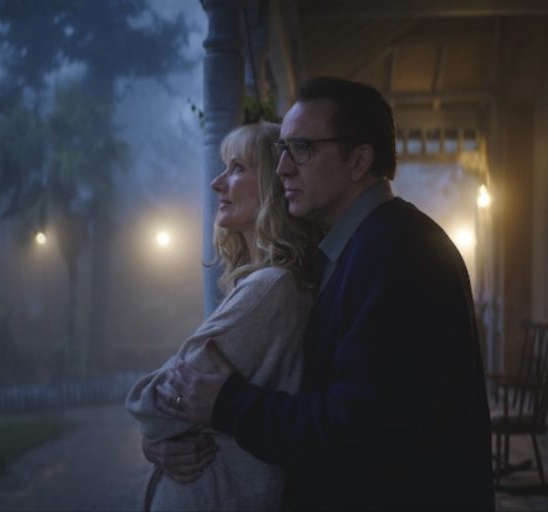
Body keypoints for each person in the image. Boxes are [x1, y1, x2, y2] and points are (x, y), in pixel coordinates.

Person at [152, 77, 494, 511]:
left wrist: (229, 404)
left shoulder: (400, 252)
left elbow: (358, 426)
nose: (282, 168)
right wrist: (165, 439)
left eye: (303, 149)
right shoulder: (359, 249)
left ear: (359, 161)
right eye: (283, 149)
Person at [125, 121, 318, 511]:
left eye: (237, 168)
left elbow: (151, 409)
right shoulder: (264, 284)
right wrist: (156, 442)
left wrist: (154, 426)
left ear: (273, 185)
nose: (217, 183)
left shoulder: (271, 288)